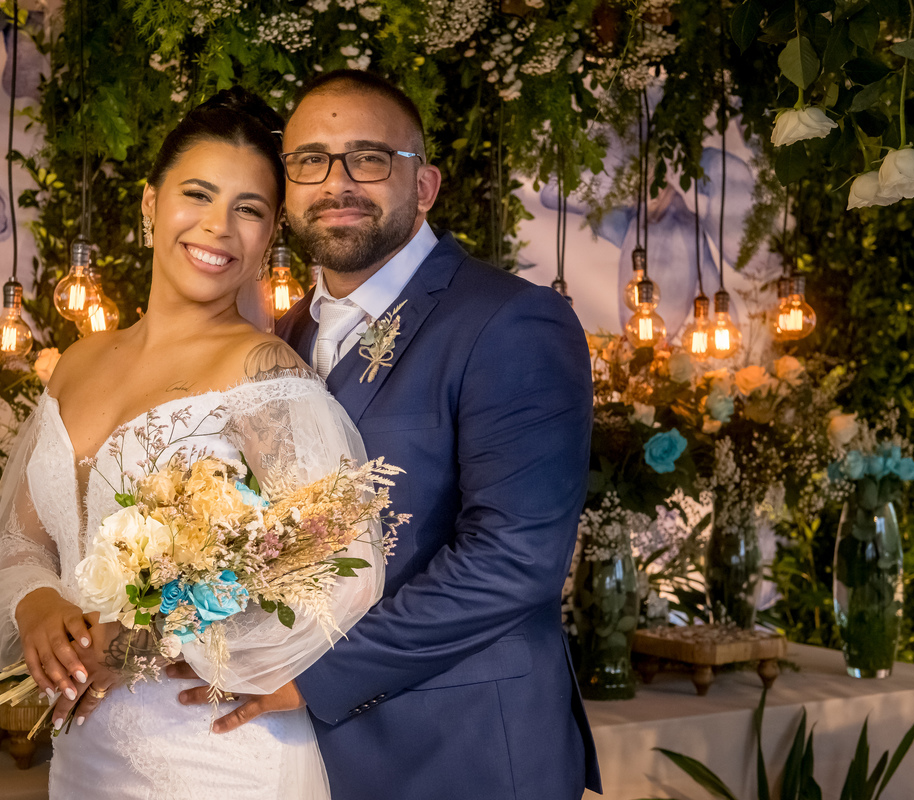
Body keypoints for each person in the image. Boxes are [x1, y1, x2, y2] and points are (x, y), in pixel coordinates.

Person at [170, 70, 602, 799]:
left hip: (466, 754)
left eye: (368, 159)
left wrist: (313, 677)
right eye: (309, 161)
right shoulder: (287, 335)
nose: (337, 183)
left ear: (425, 186)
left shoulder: (511, 322)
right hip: (312, 758)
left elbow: (513, 559)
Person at [0, 88, 386, 800]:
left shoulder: (263, 372)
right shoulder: (78, 362)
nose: (219, 228)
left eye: (249, 210)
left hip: (216, 750)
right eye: (198, 195)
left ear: (269, 236)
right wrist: (36, 603)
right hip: (87, 752)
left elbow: (346, 565)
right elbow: (23, 544)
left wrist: (136, 647)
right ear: (149, 204)